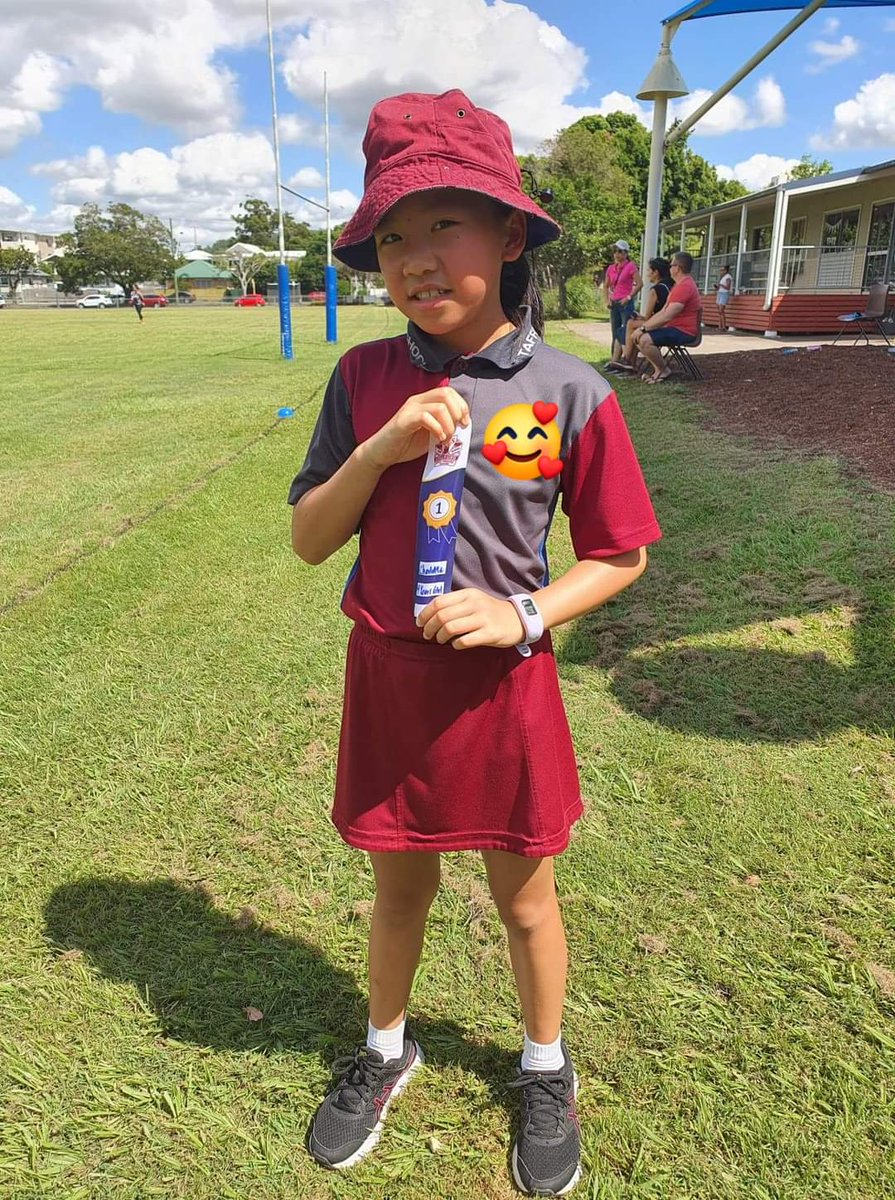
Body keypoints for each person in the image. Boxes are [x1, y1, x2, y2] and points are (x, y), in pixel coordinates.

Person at [288, 88, 661, 1198]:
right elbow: (311, 540)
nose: (411, 257)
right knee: (397, 891)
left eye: (441, 224)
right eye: (392, 237)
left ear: (509, 235)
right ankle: (387, 1044)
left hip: (504, 688)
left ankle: (544, 1065)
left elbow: (624, 551)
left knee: (523, 897)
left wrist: (526, 610)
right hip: (390, 680)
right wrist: (380, 453)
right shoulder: (364, 379)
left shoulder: (568, 391)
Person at [631, 251, 701, 383]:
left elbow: (667, 316)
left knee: (644, 339)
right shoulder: (679, 285)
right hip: (675, 328)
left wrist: (642, 329)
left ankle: (662, 370)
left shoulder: (685, 286)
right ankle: (659, 369)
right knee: (641, 336)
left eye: (671, 265)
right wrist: (643, 326)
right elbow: (663, 312)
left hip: (684, 331)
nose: (669, 268)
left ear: (677, 268)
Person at [605, 257, 674, 374]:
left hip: (661, 325)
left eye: (648, 270)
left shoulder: (655, 290)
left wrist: (639, 317)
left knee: (630, 324)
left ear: (656, 272)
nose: (647, 274)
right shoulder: (669, 286)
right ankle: (621, 362)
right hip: (668, 323)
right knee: (624, 329)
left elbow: (647, 318)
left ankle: (627, 361)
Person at [602, 241, 642, 363]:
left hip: (625, 303)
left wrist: (629, 297)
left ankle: (628, 359)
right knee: (615, 331)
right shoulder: (611, 268)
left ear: (626, 253)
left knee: (626, 331)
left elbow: (640, 284)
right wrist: (607, 300)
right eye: (615, 251)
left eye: (620, 251)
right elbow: (606, 285)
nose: (617, 254)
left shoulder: (630, 266)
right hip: (614, 302)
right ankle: (614, 359)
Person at [715, 264, 733, 330]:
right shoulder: (722, 277)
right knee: (719, 311)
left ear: (725, 270)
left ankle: (724, 327)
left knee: (721, 310)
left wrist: (721, 285)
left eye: (722, 270)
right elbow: (720, 287)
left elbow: (728, 287)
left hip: (724, 294)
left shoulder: (728, 277)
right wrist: (717, 287)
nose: (721, 271)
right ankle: (719, 326)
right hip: (720, 293)